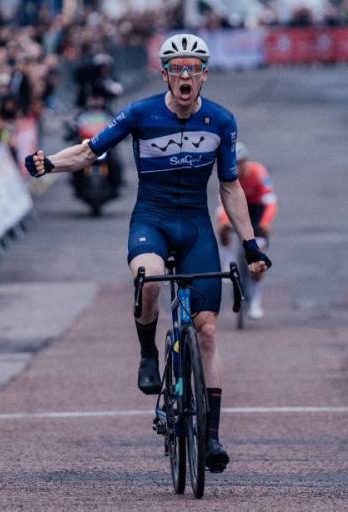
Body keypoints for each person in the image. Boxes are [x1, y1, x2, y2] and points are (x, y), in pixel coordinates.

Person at [25, 34, 272, 473]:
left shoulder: (221, 122)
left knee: (209, 331)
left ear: (203, 76)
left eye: (193, 68)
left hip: (195, 226)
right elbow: (90, 149)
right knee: (150, 278)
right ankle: (147, 353)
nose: (185, 75)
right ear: (165, 74)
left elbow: (230, 187)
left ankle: (211, 436)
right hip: (152, 221)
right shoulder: (141, 113)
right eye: (177, 68)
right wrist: (49, 164)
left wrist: (251, 243)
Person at [216, 142, 277, 319]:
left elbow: (270, 202)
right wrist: (225, 222)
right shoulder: (227, 174)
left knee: (258, 264)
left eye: (241, 163)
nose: (238, 167)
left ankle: (256, 300)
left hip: (256, 211)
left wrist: (265, 223)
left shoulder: (258, 173)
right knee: (221, 227)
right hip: (235, 208)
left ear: (246, 161)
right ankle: (227, 259)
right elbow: (223, 204)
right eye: (234, 163)